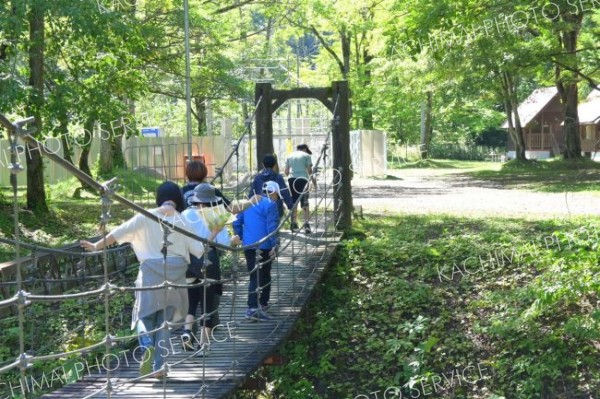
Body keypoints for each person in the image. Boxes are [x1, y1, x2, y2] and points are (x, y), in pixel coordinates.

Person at [80, 181, 205, 379]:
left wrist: (97, 246)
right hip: (175, 274)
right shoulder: (184, 221)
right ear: (178, 199)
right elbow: (199, 250)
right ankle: (159, 366)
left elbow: (117, 233)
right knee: (163, 321)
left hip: (150, 273)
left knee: (142, 316)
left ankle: (147, 345)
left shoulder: (144, 216)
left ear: (159, 197)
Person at [180, 183, 232, 355]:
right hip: (209, 260)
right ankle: (203, 344)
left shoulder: (185, 214)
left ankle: (187, 332)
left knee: (192, 298)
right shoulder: (216, 215)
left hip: (188, 260)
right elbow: (223, 243)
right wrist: (235, 241)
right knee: (208, 303)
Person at [232, 181, 280, 321]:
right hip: (264, 246)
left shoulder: (248, 203)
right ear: (274, 193)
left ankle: (258, 305)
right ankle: (257, 306)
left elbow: (236, 221)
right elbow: (272, 227)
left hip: (248, 245)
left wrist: (240, 236)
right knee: (264, 275)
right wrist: (275, 245)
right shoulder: (271, 205)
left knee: (254, 275)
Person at [182, 160, 260, 214]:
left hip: (186, 232)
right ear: (205, 175)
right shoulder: (211, 191)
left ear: (187, 175)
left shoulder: (181, 191)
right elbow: (232, 209)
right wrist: (252, 201)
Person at [248, 153, 293, 219]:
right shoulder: (278, 177)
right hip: (276, 209)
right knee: (274, 228)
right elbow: (284, 192)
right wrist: (290, 205)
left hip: (260, 209)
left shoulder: (257, 178)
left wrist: (249, 207)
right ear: (275, 165)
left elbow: (251, 194)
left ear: (263, 164)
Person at [285, 144, 317, 234]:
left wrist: (292, 175)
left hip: (292, 180)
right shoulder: (307, 156)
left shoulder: (289, 156)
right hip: (303, 180)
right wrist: (314, 182)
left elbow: (286, 172)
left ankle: (293, 223)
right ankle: (306, 225)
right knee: (305, 201)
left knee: (294, 201)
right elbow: (309, 171)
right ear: (304, 149)